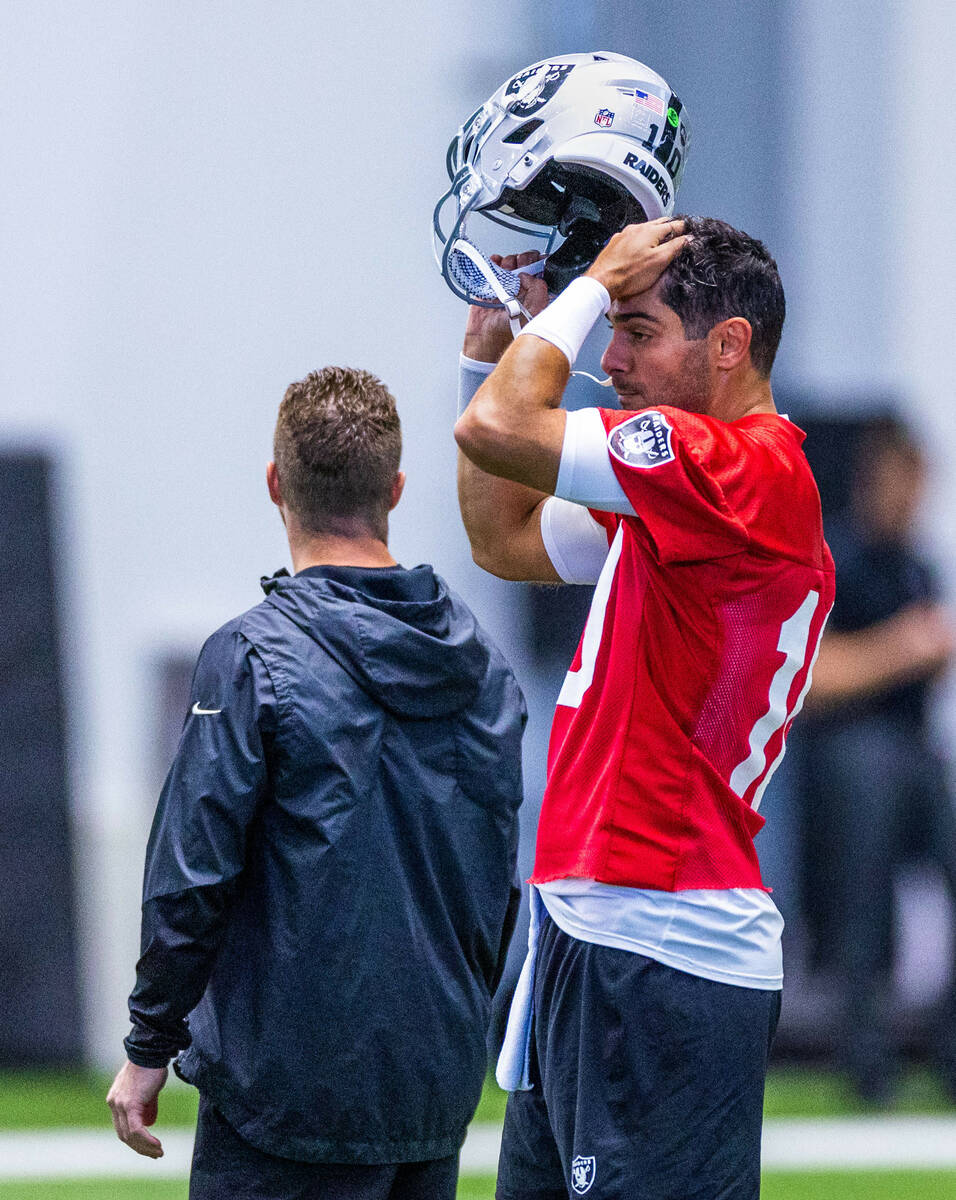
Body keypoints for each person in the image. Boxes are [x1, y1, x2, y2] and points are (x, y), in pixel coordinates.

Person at [455, 217, 835, 1199]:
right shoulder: (687, 494)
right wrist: (488, 357)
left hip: (658, 934)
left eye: (636, 330)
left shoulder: (731, 466)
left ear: (727, 345)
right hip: (602, 924)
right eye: (612, 330)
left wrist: (580, 292)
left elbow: (499, 432)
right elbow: (501, 536)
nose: (609, 361)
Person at [107, 365, 526, 1200]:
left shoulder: (250, 657)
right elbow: (499, 877)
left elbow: (193, 875)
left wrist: (148, 1041)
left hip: (284, 1099)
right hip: (430, 1089)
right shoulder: (483, 667)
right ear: (396, 489)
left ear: (275, 484)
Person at [802, 416, 956, 1103]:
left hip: (914, 749)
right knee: (862, 913)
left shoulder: (918, 564)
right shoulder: (832, 555)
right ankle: (867, 1071)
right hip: (850, 751)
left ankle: (948, 1057)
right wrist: (904, 648)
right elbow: (809, 675)